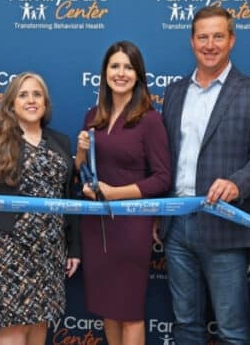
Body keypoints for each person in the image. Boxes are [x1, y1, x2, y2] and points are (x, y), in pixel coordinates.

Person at [158, 5, 250, 345]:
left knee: (232, 330)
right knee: (185, 325)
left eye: (218, 37)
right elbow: (167, 157)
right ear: (192, 41)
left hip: (224, 222)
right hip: (177, 223)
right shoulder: (175, 91)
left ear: (232, 40)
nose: (209, 44)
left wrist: (236, 183)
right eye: (202, 37)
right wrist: (160, 212)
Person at [0, 72, 81, 345]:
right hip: (5, 244)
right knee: (14, 323)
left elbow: (68, 197)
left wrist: (72, 247)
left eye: (37, 95)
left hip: (49, 245)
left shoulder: (60, 141)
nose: (31, 100)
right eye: (23, 95)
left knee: (41, 319)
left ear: (46, 104)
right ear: (11, 103)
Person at [73, 41, 172, 345]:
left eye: (128, 67)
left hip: (130, 227)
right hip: (96, 225)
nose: (121, 73)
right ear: (104, 73)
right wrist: (80, 152)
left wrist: (114, 193)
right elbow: (80, 171)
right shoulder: (93, 115)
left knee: (129, 311)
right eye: (115, 66)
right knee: (108, 309)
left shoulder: (150, 119)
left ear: (138, 75)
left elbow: (162, 179)